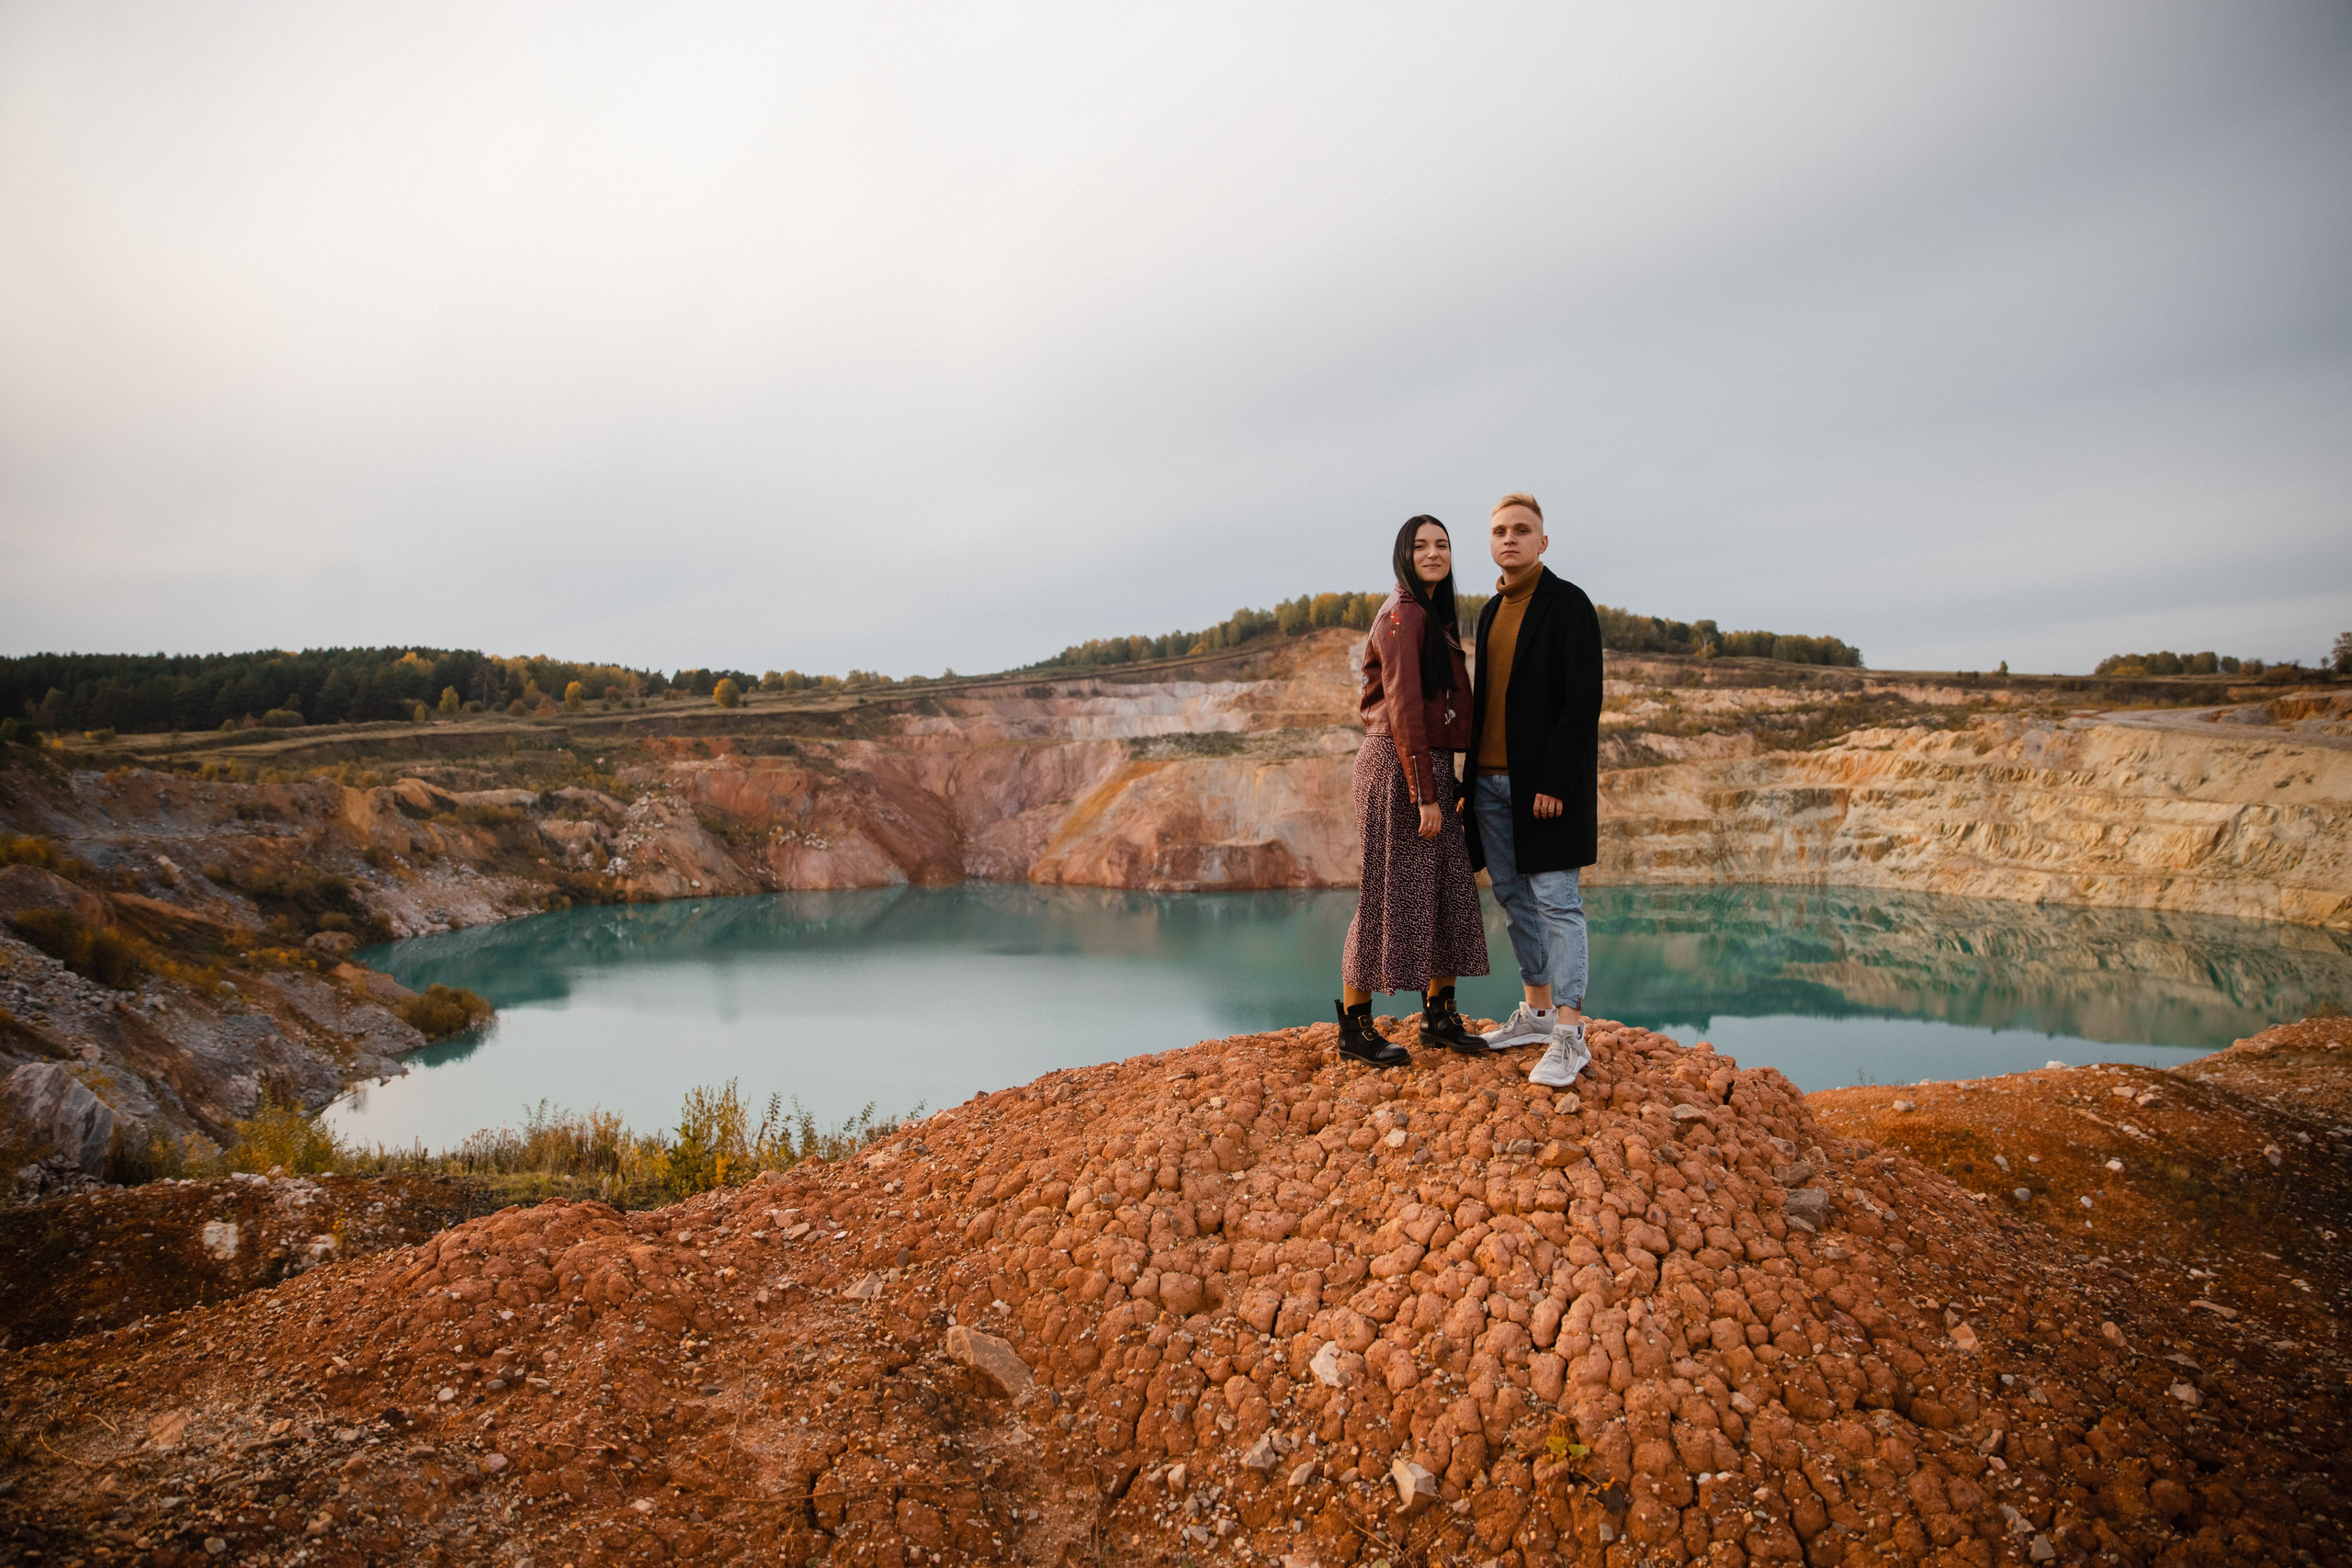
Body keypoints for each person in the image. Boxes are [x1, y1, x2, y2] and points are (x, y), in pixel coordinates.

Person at [1460, 492, 1604, 1089]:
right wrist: (1471, 781)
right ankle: (1537, 1011)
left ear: (1542, 542)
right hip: (1490, 783)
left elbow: (1582, 700)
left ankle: (1570, 1033)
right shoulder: (1492, 611)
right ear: (1491, 542)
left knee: (1556, 900)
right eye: (1500, 530)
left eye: (1522, 529)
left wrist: (1553, 781)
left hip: (1541, 787)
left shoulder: (1568, 605)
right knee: (1515, 898)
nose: (1510, 538)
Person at [1336, 515, 1490, 1066]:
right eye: (1421, 545)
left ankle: (1439, 1015)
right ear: (1404, 554)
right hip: (1396, 767)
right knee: (1384, 893)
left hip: (1426, 766)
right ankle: (1355, 1027)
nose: (1433, 553)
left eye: (1442, 545)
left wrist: (1446, 781)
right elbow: (1402, 708)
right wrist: (1426, 791)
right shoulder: (1403, 614)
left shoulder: (1428, 613)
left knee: (1448, 884)